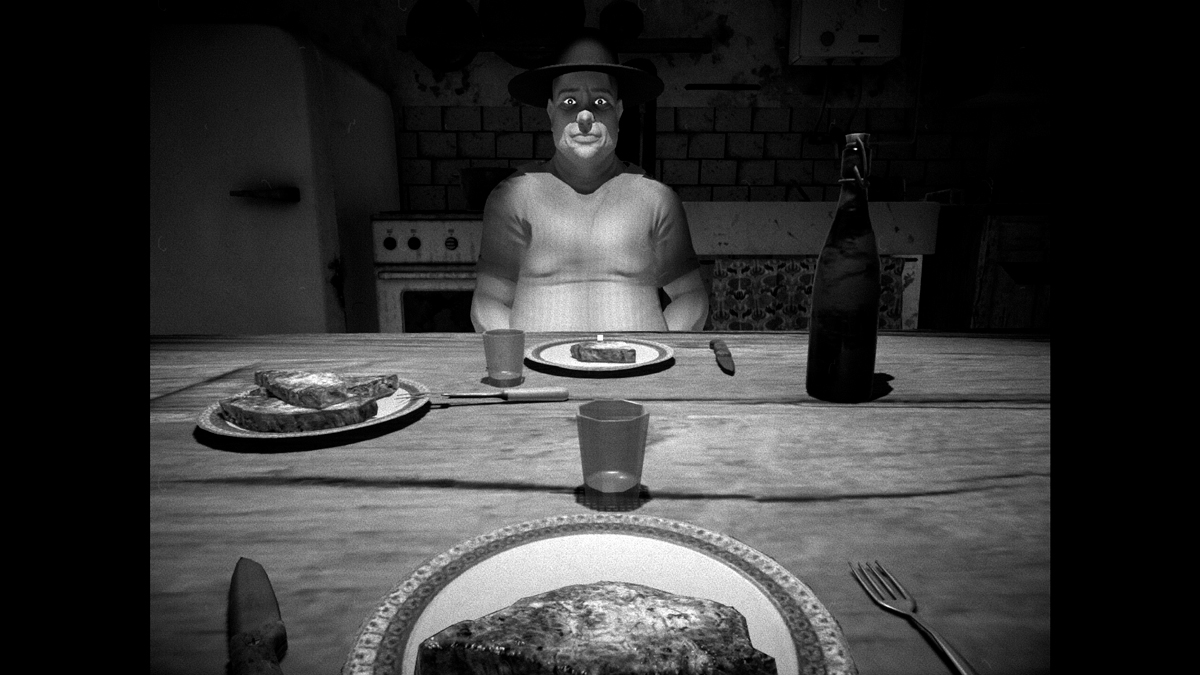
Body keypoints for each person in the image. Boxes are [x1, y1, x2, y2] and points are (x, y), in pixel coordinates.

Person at [470, 32, 709, 332]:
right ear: (551, 112)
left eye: (600, 101)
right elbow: (489, 300)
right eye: (569, 102)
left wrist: (662, 350)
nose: (585, 117)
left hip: (640, 362)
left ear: (618, 112)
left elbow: (690, 296)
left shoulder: (656, 199)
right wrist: (514, 354)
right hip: (535, 363)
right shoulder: (515, 197)